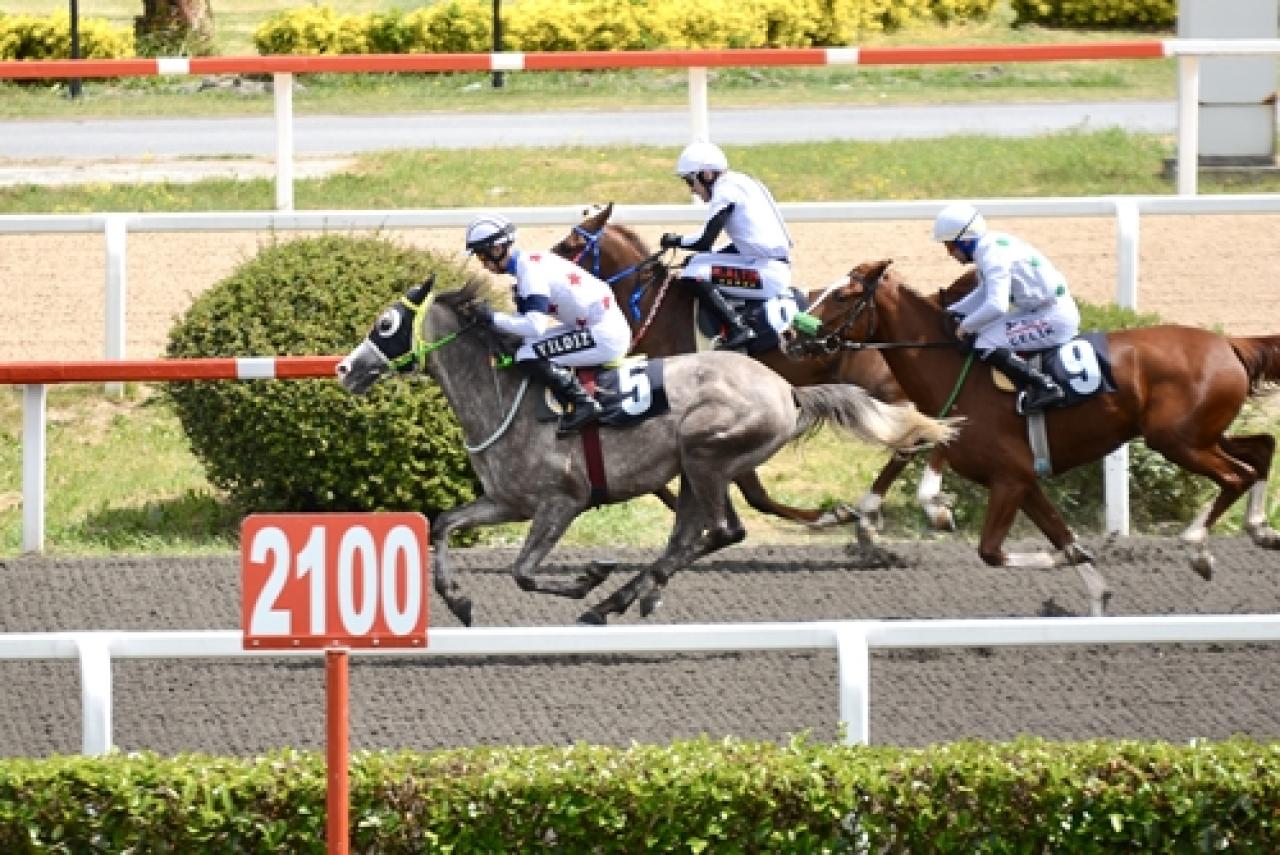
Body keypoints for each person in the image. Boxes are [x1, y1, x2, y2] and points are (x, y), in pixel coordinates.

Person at [464, 213, 631, 435]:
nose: (483, 265)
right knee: (524, 347)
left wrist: (493, 317)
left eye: (482, 256)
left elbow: (535, 327)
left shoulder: (530, 273)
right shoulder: (529, 262)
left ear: (497, 249)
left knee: (526, 355)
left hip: (604, 335)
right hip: (594, 326)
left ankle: (583, 403)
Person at [932, 202, 1080, 414]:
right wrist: (952, 311)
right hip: (1039, 311)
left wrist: (965, 325)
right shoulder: (988, 246)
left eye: (950, 246)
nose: (949, 253)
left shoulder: (992, 255)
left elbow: (997, 305)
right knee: (983, 331)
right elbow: (984, 292)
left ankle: (1045, 386)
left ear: (965, 240)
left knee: (984, 342)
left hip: (1053, 317)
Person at [659, 141, 794, 351]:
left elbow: (704, 242)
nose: (692, 191)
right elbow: (743, 242)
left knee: (692, 273)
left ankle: (738, 328)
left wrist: (674, 240)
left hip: (768, 274)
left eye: (690, 181)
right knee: (695, 262)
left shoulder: (725, 192)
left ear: (706, 175)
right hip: (765, 263)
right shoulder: (741, 181)